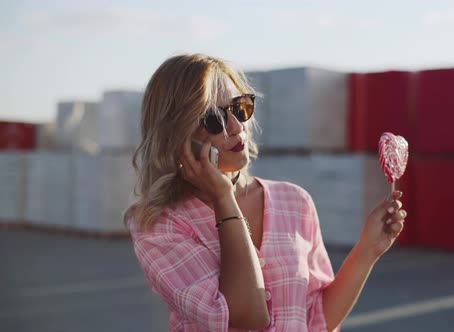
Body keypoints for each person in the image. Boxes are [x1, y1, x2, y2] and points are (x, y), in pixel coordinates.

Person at [124, 53, 407, 332]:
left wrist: (367, 250)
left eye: (241, 107)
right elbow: (248, 315)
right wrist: (224, 198)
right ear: (176, 134)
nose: (236, 127)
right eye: (213, 118)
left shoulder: (294, 201)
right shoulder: (160, 225)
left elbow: (315, 320)